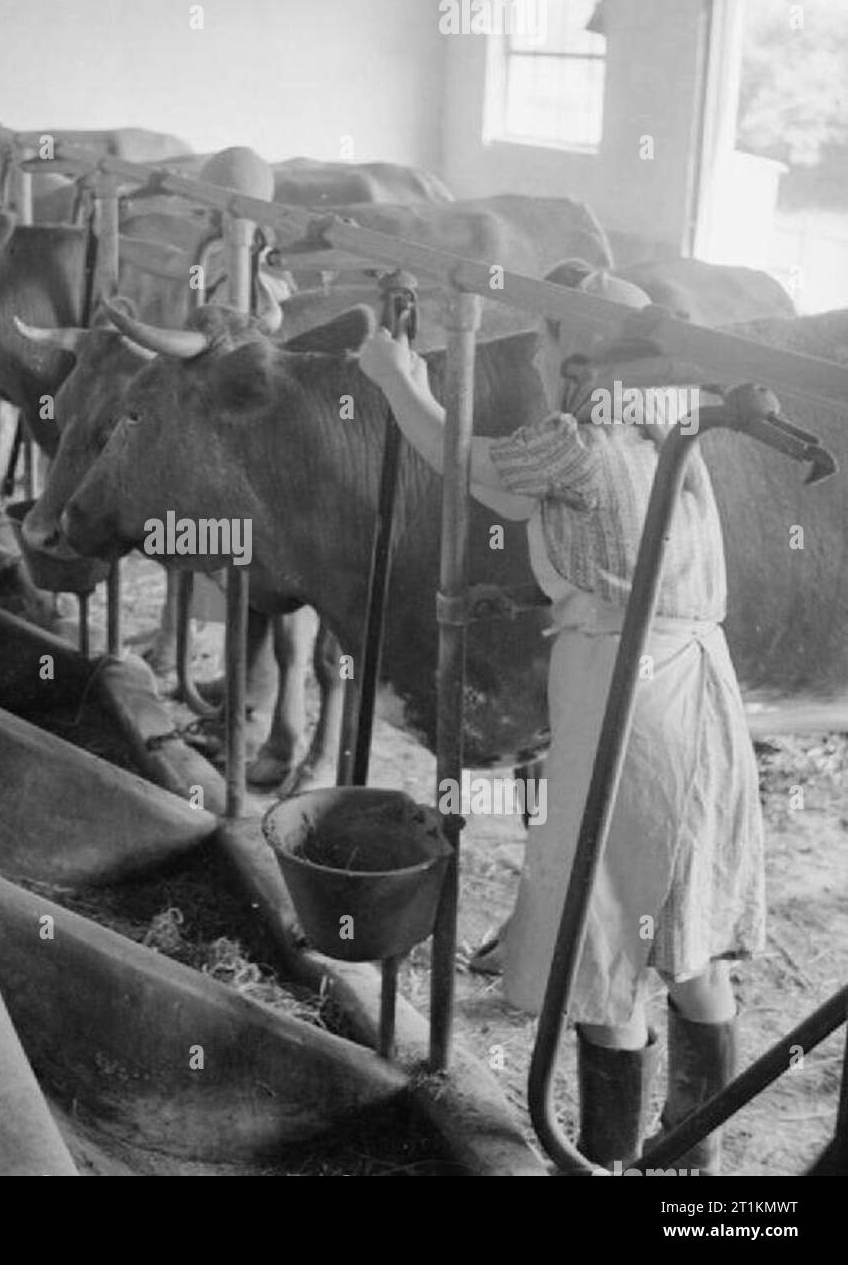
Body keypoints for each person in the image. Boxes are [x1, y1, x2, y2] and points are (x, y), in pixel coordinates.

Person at [357, 265, 765, 1174]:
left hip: (629, 701)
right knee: (685, 928)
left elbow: (469, 467)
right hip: (697, 683)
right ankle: (693, 1166)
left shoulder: (576, 443)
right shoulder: (672, 426)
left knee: (608, 924)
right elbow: (508, 495)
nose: (534, 358)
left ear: (569, 352)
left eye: (540, 339)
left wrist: (397, 378)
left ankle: (609, 1159)